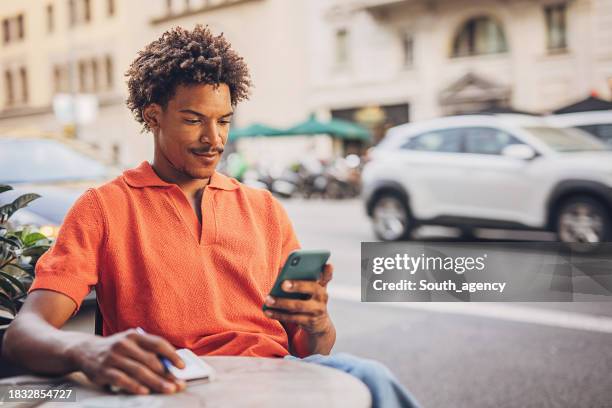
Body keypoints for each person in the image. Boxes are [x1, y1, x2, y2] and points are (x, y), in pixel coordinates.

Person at [2, 25, 419, 408]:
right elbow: (23, 335)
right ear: (153, 117)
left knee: (372, 378)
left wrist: (318, 322)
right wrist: (86, 351)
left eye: (223, 122)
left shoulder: (265, 209)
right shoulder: (104, 207)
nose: (213, 139)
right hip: (180, 388)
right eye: (193, 120)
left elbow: (312, 349)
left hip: (276, 381)